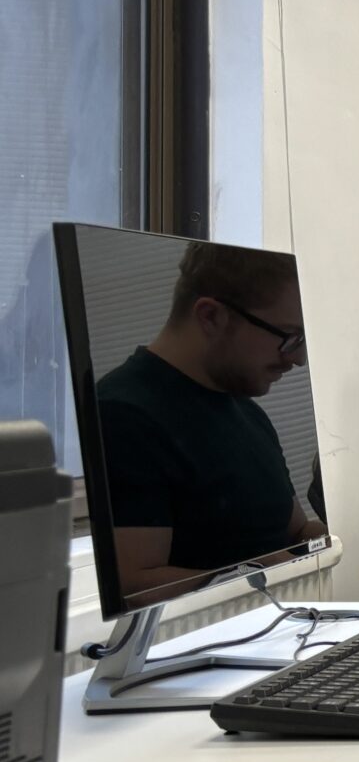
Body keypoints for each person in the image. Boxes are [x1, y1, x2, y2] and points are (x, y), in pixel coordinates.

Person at [93, 242, 324, 600]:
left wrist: (343, 532)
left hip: (278, 623)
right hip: (207, 632)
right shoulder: (122, 415)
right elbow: (131, 584)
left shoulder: (246, 412)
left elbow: (292, 534)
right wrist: (258, 573)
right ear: (211, 316)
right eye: (289, 338)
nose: (298, 359)